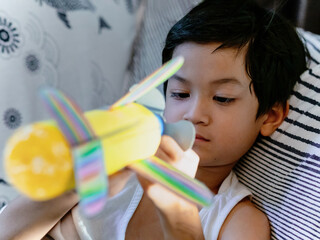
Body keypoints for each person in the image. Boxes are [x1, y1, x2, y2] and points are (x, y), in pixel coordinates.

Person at [0, 0, 308, 239]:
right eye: (179, 93)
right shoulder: (122, 163)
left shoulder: (235, 221)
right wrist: (73, 185)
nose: (193, 114)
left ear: (269, 116)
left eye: (223, 98)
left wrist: (179, 211)